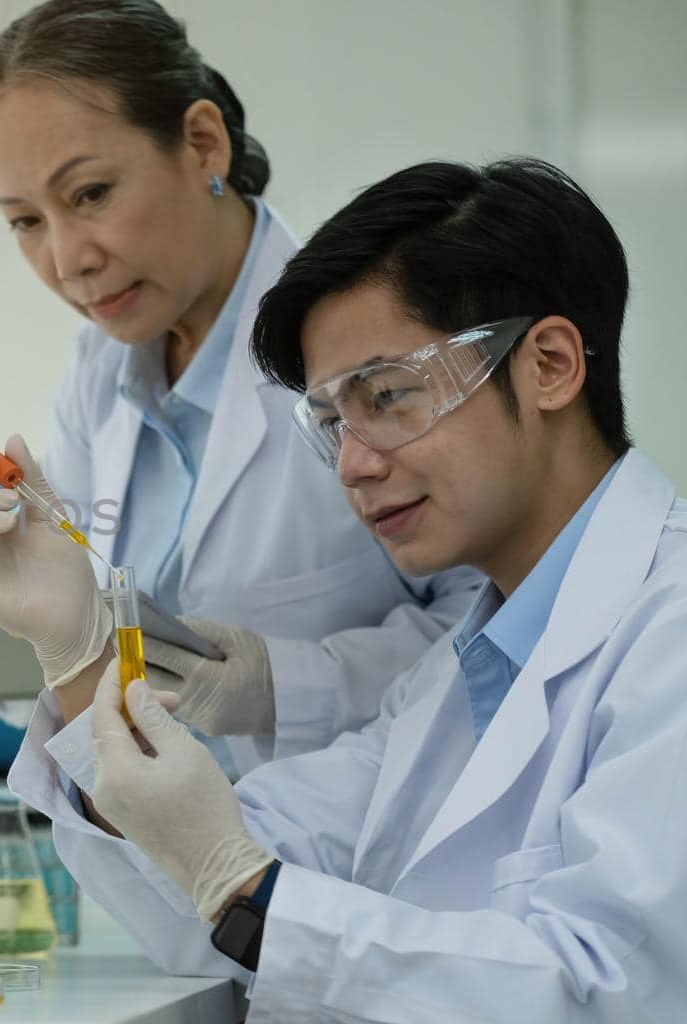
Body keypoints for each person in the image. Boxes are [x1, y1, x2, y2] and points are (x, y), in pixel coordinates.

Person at [39, 157, 687, 1020]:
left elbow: (599, 990)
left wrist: (245, 884)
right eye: (334, 422)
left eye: (388, 397)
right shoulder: (458, 677)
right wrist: (68, 646)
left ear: (552, 365)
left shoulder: (668, 628)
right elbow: (215, 883)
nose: (351, 463)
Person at [0, 0, 479, 777]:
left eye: (90, 194)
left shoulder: (375, 337)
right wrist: (30, 625)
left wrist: (281, 687)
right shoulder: (99, 374)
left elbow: (501, 622)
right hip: (162, 864)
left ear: (202, 144)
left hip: (363, 867)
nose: (67, 260)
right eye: (26, 221)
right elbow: (97, 660)